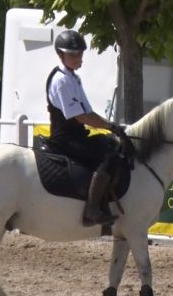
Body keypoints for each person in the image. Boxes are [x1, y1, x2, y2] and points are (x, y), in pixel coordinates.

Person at [46, 29, 127, 227]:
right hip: (65, 138)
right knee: (108, 156)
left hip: (76, 134)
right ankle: (91, 210)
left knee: (111, 144)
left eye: (80, 53)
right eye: (73, 54)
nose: (78, 58)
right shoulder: (61, 81)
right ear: (60, 54)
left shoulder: (73, 78)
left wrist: (111, 128)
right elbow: (81, 116)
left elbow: (89, 111)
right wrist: (109, 126)